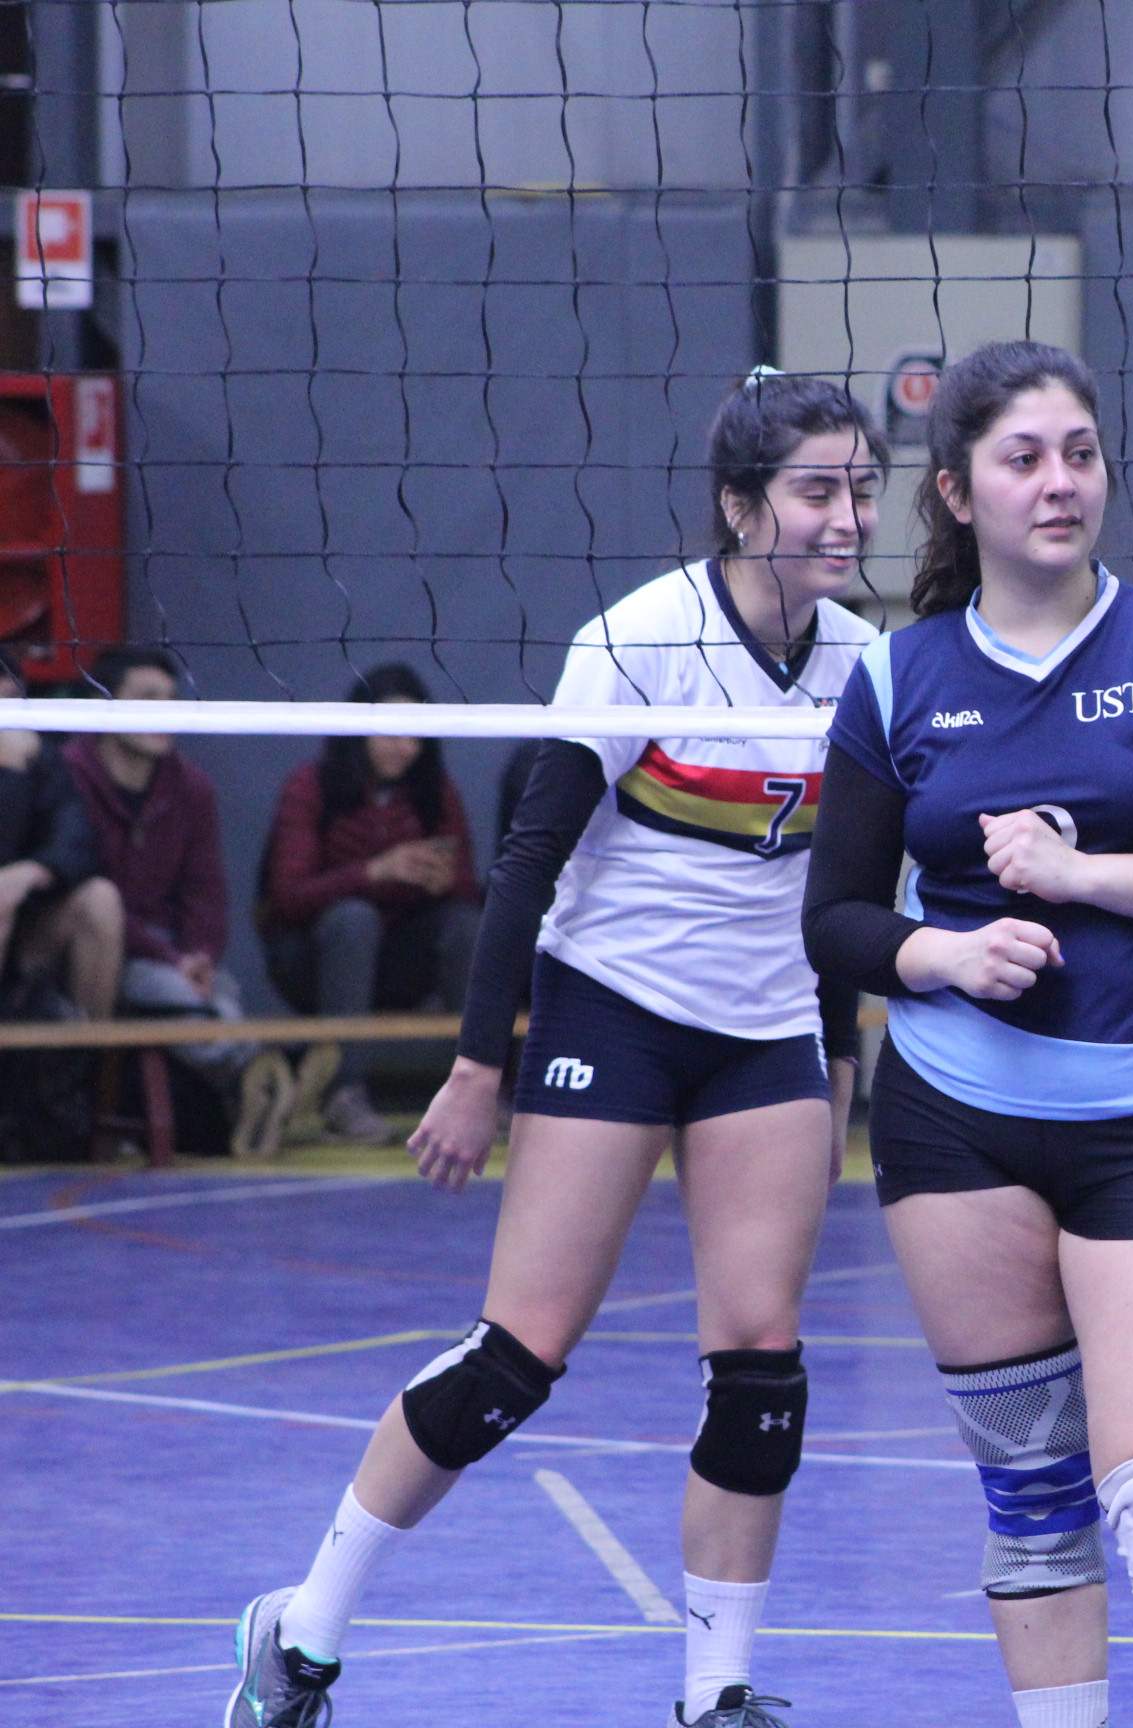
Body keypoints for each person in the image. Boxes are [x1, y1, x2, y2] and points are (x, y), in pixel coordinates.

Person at [226, 369, 885, 1728]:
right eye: (818, 489)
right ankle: (302, 1631)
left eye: (862, 489)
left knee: (763, 1372)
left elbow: (839, 889)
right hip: (612, 1012)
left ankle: (716, 1692)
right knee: (514, 1360)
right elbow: (526, 866)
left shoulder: (866, 665)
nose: (848, 516)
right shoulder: (637, 640)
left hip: (763, 1032)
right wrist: (480, 1068)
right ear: (740, 505)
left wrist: (834, 1062)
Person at [803, 340, 1133, 1728]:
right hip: (957, 1126)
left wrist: (1085, 878)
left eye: (1080, 455)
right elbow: (833, 919)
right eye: (1024, 459)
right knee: (1032, 1500)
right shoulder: (900, 676)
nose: (1059, 483)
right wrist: (947, 956)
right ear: (958, 492)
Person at [258, 661, 483, 1142]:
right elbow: (288, 897)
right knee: (354, 919)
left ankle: (477, 1091)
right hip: (311, 961)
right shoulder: (310, 786)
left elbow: (468, 890)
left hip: (402, 965)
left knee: (465, 923)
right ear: (358, 726)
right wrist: (375, 872)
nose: (405, 747)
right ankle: (343, 1094)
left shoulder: (435, 792)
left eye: (415, 734)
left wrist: (442, 881)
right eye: (391, 732)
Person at [62, 646, 273, 1147]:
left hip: (173, 954)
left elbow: (207, 892)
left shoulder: (192, 787)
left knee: (217, 991)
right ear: (104, 704)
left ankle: (255, 1088)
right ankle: (258, 1069)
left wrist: (199, 955)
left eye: (171, 700)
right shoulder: (69, 776)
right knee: (179, 993)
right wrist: (173, 962)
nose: (164, 712)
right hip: (98, 949)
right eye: (147, 698)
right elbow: (83, 884)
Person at [0, 643, 119, 1022]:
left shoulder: (39, 759)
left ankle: (90, 1054)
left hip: (21, 932)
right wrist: (10, 778)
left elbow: (78, 840)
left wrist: (32, 872)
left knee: (100, 899)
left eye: (11, 702)